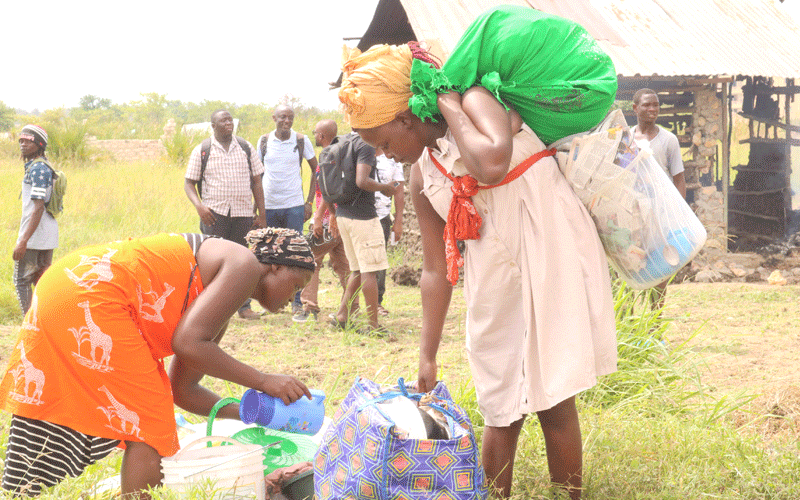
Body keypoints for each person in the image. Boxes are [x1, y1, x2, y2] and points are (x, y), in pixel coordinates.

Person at [338, 5, 618, 499]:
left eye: (383, 142)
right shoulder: (423, 173)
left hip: (548, 253)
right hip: (493, 279)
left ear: (406, 117)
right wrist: (426, 354)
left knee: (554, 399)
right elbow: (432, 270)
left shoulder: (475, 100)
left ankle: (568, 496)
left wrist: (446, 103)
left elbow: (490, 163)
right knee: (498, 403)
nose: (384, 155)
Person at [0, 228, 315, 498]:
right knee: (152, 424)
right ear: (273, 267)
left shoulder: (218, 296)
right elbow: (188, 343)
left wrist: (257, 412)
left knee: (134, 410)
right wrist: (262, 381)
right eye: (297, 284)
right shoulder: (244, 264)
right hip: (94, 294)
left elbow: (184, 391)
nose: (295, 296)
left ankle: (24, 491)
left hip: (66, 284)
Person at [184, 109, 266, 320]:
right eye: (223, 120)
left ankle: (244, 307)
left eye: (230, 119)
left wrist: (261, 214)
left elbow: (257, 181)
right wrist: (199, 207)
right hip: (214, 215)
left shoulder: (245, 147)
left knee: (243, 261)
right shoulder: (203, 149)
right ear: (213, 126)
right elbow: (189, 183)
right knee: (211, 262)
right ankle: (210, 310)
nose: (228, 123)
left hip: (243, 214)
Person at [316, 131, 395, 335]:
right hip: (363, 217)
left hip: (343, 215)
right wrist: (385, 188)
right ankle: (373, 326)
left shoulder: (344, 141)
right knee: (370, 271)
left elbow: (328, 184)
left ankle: (342, 316)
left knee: (358, 271)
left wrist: (333, 213)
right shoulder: (365, 145)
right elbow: (361, 181)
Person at [258, 104, 319, 315]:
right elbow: (257, 174)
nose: (287, 121)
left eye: (290, 117)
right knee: (270, 253)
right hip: (270, 206)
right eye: (282, 117)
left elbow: (316, 170)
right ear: (273, 117)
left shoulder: (301, 140)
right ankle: (270, 299)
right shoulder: (264, 141)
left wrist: (309, 202)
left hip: (294, 205)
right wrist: (258, 208)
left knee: (294, 253)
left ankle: (297, 301)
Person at [632, 88, 687, 310]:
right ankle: (630, 322)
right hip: (633, 214)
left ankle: (655, 324)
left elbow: (679, 180)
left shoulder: (668, 140)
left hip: (660, 215)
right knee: (631, 264)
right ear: (635, 108)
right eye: (647, 105)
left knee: (661, 267)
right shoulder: (626, 138)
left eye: (656, 105)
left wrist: (678, 214)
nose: (653, 109)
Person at [293, 120, 351, 323]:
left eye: (315, 133)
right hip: (342, 217)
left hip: (329, 219)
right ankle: (352, 307)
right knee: (344, 264)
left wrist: (321, 217)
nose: (315, 136)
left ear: (322, 135)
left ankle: (309, 307)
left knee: (311, 260)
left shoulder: (329, 155)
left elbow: (330, 189)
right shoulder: (342, 152)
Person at [13, 125, 58, 317]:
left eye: (28, 141)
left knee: (21, 280)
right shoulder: (42, 165)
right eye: (21, 140)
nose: (23, 144)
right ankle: (42, 324)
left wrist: (23, 241)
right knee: (41, 282)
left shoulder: (38, 169)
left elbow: (38, 207)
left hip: (35, 236)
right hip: (47, 235)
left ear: (39, 144)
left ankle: (30, 324)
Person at [373, 147, 404, 316]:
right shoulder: (358, 149)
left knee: (379, 261)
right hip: (359, 215)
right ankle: (351, 302)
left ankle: (376, 302)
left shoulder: (392, 157)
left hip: (382, 217)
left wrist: (398, 221)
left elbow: (398, 190)